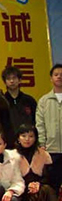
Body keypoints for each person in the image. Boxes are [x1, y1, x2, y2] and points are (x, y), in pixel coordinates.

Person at [15, 124, 61, 201]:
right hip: (21, 188)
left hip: (40, 187)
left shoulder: (43, 154)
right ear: (18, 138)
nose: (27, 139)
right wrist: (28, 185)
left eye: (31, 136)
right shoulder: (12, 155)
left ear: (35, 138)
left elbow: (49, 177)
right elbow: (11, 178)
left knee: (47, 189)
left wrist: (38, 184)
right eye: (23, 136)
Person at [35, 64, 62, 193]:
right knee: (53, 185)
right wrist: (42, 143)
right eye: (56, 75)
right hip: (51, 149)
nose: (59, 77)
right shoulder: (44, 101)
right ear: (51, 78)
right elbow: (40, 124)